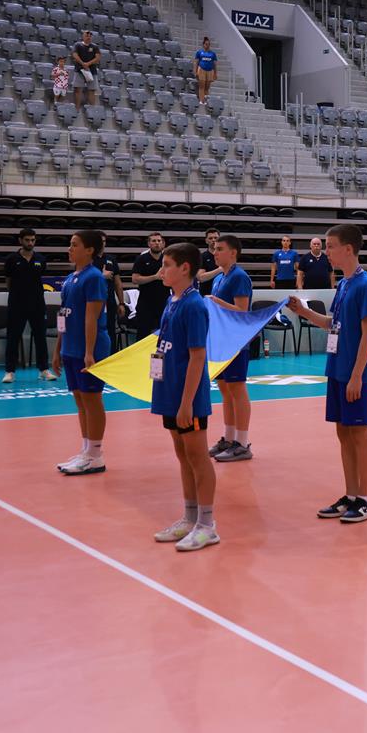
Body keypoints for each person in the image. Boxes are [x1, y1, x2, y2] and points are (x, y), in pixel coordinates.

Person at [288, 225, 367, 522]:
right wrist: (304, 312)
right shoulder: (343, 284)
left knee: (359, 432)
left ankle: (366, 499)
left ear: (348, 249)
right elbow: (333, 323)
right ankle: (351, 495)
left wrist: (357, 376)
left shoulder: (365, 285)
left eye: (330, 246)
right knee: (343, 431)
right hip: (337, 368)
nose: (326, 251)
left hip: (355, 373)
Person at [149, 242, 219, 551]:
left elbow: (197, 356)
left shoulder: (194, 305)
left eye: (167, 265)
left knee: (197, 456)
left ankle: (207, 525)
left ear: (185, 268)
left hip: (187, 396)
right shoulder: (172, 300)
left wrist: (187, 402)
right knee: (182, 455)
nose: (161, 270)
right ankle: (190, 518)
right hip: (169, 390)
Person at [52, 230, 111, 476]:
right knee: (80, 399)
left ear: (89, 250)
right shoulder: (69, 279)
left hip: (90, 348)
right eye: (70, 244)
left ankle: (95, 455)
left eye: (74, 245)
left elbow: (91, 318)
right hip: (71, 347)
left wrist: (89, 352)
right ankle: (86, 450)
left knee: (92, 399)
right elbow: (63, 315)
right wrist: (58, 349)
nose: (70, 248)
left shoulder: (94, 277)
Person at [206, 234, 253, 463]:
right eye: (214, 249)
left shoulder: (239, 277)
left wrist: (217, 303)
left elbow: (242, 311)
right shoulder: (218, 278)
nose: (215, 252)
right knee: (225, 389)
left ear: (233, 252)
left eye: (219, 249)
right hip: (221, 341)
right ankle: (229, 437)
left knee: (237, 388)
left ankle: (242, 443)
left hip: (236, 341)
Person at [2, 228, 53, 383]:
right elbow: (8, 282)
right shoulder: (11, 259)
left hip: (37, 304)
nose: (30, 243)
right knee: (13, 337)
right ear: (20, 240)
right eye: (27, 240)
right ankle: (10, 371)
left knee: (40, 337)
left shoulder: (41, 259)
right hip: (17, 304)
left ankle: (44, 370)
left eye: (32, 240)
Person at [131, 231, 168, 338]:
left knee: (164, 335)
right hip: (146, 303)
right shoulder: (142, 259)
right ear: (149, 244)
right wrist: (155, 277)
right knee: (143, 335)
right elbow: (135, 279)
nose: (157, 243)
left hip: (164, 302)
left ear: (163, 243)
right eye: (154, 241)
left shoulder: (168, 259)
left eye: (159, 241)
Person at [94, 232, 125, 349]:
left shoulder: (111, 259)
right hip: (93, 302)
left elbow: (118, 282)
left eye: (103, 241)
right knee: (95, 330)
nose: (101, 244)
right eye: (99, 241)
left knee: (110, 330)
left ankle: (111, 356)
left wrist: (121, 303)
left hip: (109, 301)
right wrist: (101, 275)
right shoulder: (88, 259)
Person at [72, 29, 101, 109]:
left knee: (92, 90)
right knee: (77, 89)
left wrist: (88, 64)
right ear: (83, 36)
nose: (88, 37)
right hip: (79, 70)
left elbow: (98, 57)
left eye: (90, 36)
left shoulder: (95, 47)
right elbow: (75, 55)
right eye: (87, 36)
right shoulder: (77, 45)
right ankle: (77, 109)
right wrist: (82, 63)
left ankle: (92, 110)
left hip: (92, 71)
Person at [197, 228, 221, 296]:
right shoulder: (202, 257)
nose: (213, 240)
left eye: (215, 238)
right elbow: (201, 277)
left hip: (222, 295)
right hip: (207, 295)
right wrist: (219, 270)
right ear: (206, 241)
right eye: (210, 238)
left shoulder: (225, 256)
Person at [194, 37, 217, 105]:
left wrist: (215, 73)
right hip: (201, 69)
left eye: (209, 44)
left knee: (207, 87)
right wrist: (195, 71)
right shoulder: (199, 52)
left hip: (210, 71)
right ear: (203, 44)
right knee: (202, 86)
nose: (207, 45)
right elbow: (196, 62)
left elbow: (214, 64)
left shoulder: (213, 54)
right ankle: (201, 100)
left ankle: (206, 100)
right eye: (206, 44)